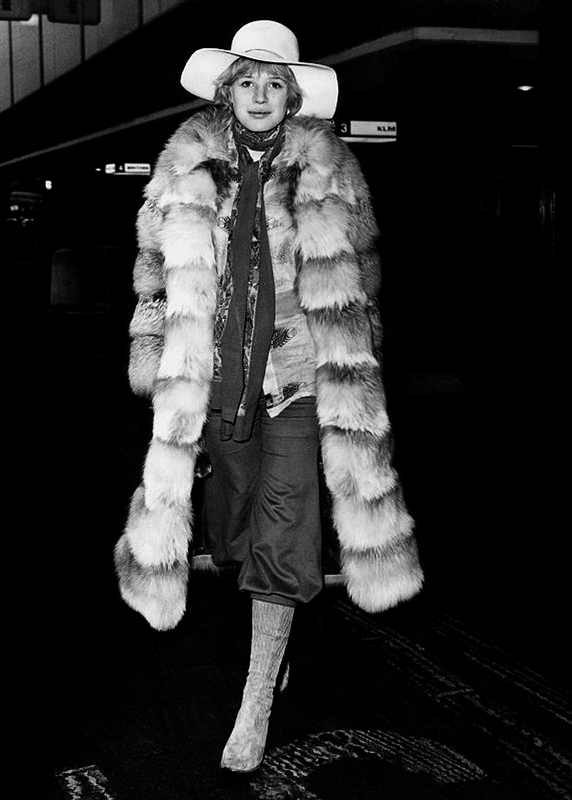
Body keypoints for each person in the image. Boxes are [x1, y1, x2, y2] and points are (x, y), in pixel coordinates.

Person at [114, 20, 423, 773]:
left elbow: (361, 279)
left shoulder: (329, 170)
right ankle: (266, 636)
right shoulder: (183, 168)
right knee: (231, 530)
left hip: (299, 378)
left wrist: (355, 359)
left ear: (293, 96)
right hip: (216, 380)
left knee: (286, 531)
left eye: (274, 81)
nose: (260, 93)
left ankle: (256, 699)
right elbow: (153, 275)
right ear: (227, 91)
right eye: (247, 79)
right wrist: (151, 356)